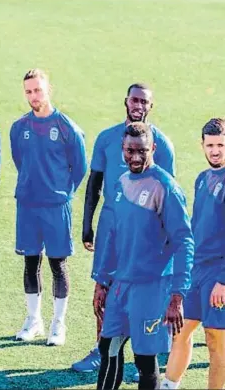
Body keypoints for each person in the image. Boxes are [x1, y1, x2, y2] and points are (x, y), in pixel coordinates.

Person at [72, 83, 176, 373]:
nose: (139, 105)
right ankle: (101, 350)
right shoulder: (107, 138)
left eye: (144, 101)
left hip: (144, 231)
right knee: (104, 287)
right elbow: (94, 182)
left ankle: (149, 348)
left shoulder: (163, 144)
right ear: (126, 101)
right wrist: (87, 224)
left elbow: (168, 196)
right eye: (135, 99)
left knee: (145, 288)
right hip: (110, 226)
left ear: (150, 107)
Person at [94, 122, 194, 390]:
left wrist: (177, 296)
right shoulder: (121, 182)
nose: (135, 157)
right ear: (122, 149)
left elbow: (184, 242)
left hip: (152, 287)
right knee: (108, 347)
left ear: (154, 149)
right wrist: (102, 281)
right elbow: (113, 235)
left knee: (145, 359)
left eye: (142, 151)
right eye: (130, 151)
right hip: (121, 284)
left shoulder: (166, 188)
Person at [10, 69, 87, 346]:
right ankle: (34, 320)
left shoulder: (66, 127)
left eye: (38, 90)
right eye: (29, 91)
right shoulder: (19, 128)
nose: (34, 96)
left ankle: (58, 324)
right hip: (28, 204)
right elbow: (20, 160)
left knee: (58, 264)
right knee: (31, 263)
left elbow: (80, 167)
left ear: (48, 89)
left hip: (56, 206)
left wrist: (62, 192)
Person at [161, 118, 225, 390]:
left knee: (216, 342)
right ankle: (168, 386)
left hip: (218, 272)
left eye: (221, 144)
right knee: (180, 332)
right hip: (196, 270)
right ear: (202, 145)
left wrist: (223, 279)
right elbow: (195, 225)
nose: (215, 150)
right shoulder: (202, 178)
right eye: (210, 145)